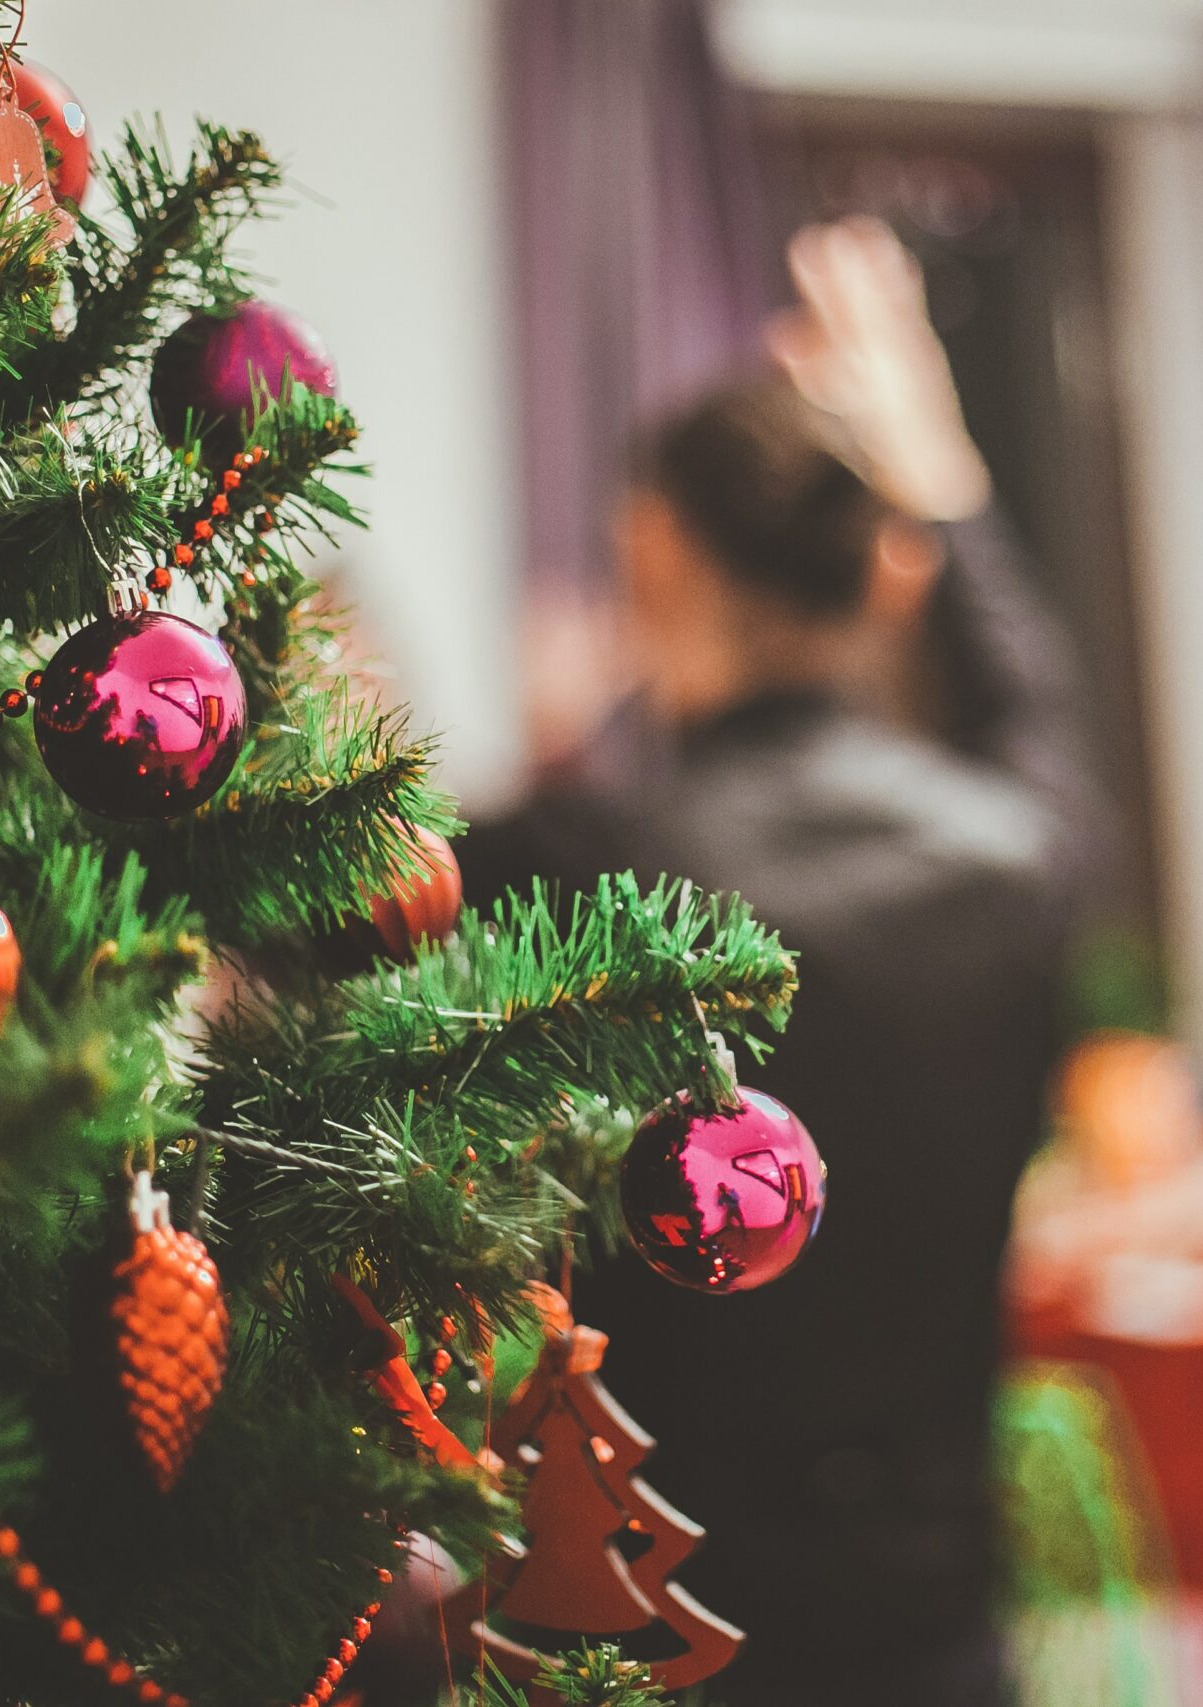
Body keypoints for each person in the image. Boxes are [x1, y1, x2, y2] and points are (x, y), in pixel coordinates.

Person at [465, 220, 1111, 1707]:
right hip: (934, 1620)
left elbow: (318, 916)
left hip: (653, 1616)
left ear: (657, 553)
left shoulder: (574, 860)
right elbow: (1034, 700)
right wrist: (942, 482)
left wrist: (550, 748)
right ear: (885, 575)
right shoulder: (1025, 854)